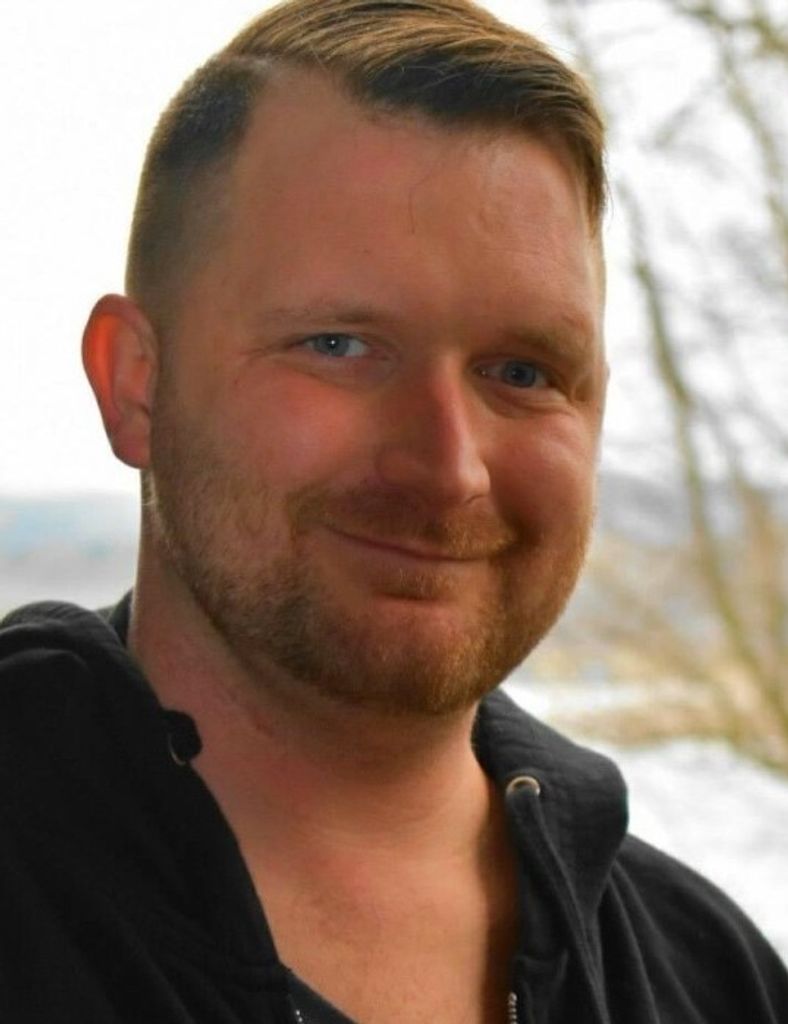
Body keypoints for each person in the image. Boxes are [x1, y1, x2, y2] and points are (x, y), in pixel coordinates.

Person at [1, 0, 785, 1020]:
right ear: (137, 384)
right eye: (338, 345)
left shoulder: (714, 979)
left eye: (521, 371)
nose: (448, 470)